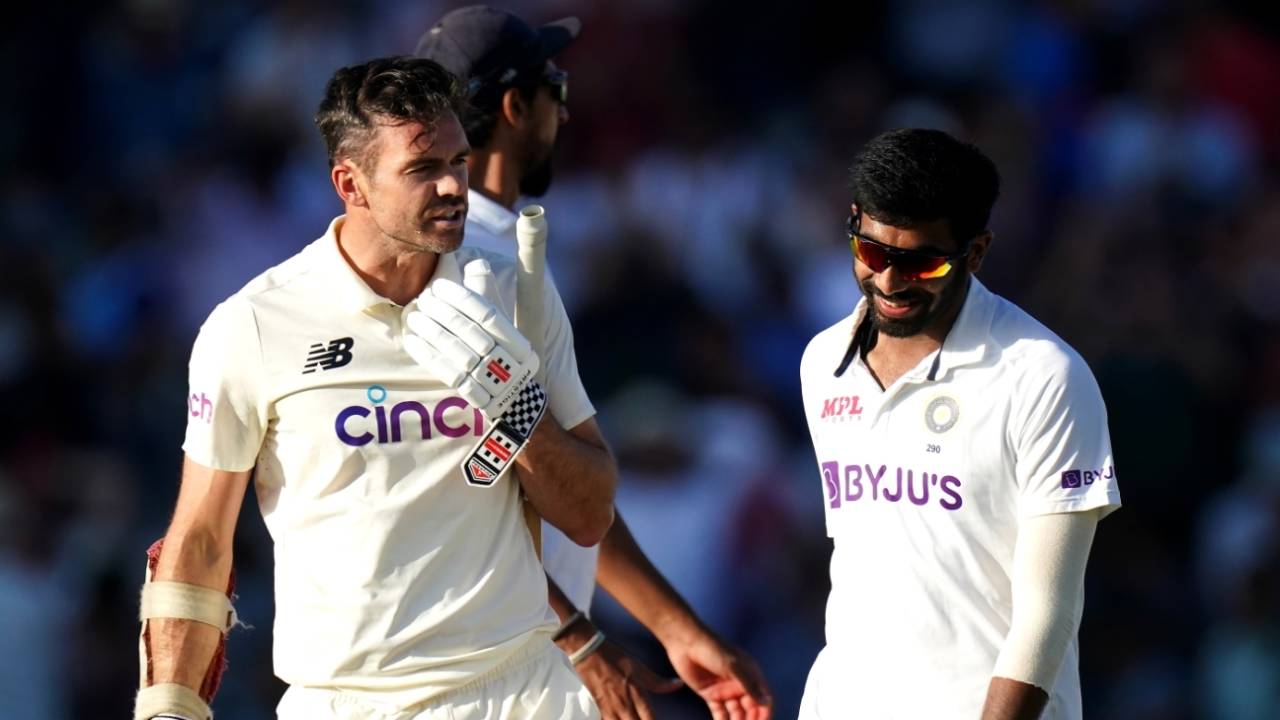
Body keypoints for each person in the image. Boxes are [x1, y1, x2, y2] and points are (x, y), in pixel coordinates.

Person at [135, 56, 619, 720]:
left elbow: (590, 516)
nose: (454, 186)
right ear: (350, 184)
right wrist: (168, 707)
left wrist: (518, 415)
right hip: (348, 703)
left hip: (519, 689)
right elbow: (200, 543)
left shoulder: (514, 292)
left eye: (458, 160)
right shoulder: (253, 325)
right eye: (423, 170)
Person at [416, 7, 773, 720]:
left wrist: (676, 628)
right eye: (557, 88)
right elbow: (451, 504)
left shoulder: (507, 253)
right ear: (517, 107)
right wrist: (579, 641)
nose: (567, 114)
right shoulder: (469, 269)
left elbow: (561, 482)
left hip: (520, 664)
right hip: (481, 680)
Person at [797, 128, 1121, 719]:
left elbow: (1047, 614)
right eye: (872, 253)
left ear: (975, 253)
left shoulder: (1044, 377)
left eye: (922, 263)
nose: (891, 282)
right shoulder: (824, 361)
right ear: (853, 224)